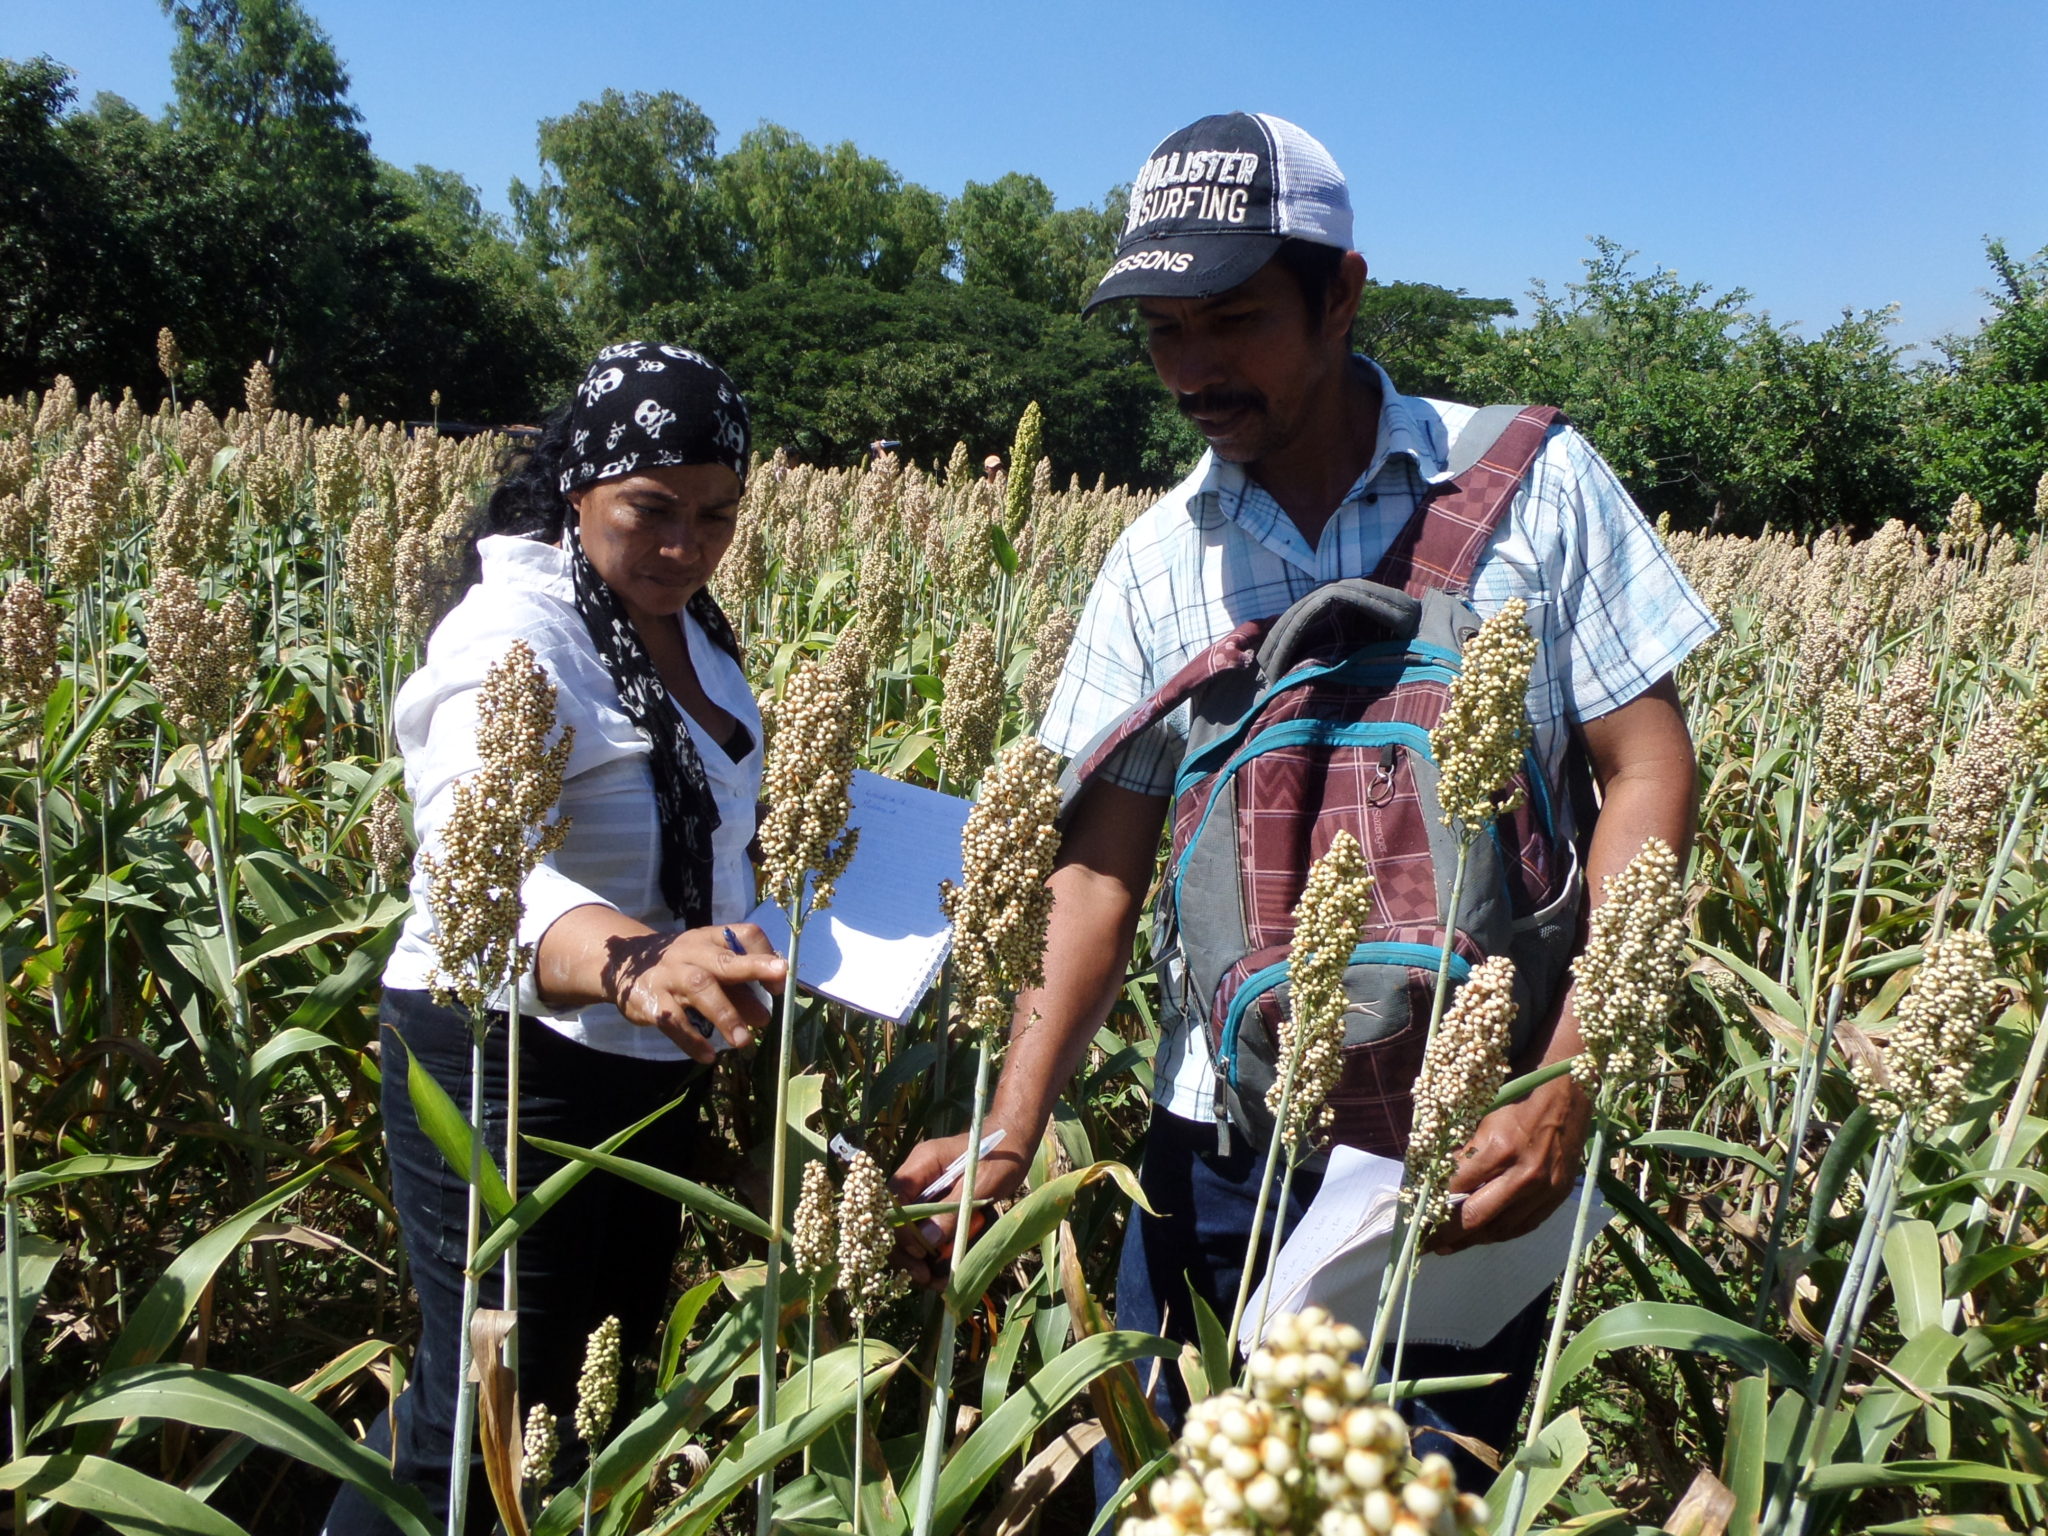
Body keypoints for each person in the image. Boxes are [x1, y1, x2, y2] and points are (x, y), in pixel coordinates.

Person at [887, 113, 1716, 1494]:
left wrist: (1572, 1075)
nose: (1194, 369)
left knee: (1405, 1504)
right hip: (1218, 1135)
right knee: (1170, 1503)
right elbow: (1096, 870)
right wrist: (1014, 1123)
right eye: (1162, 329)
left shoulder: (1529, 487)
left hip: (1466, 1141)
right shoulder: (1157, 563)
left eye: (1235, 319)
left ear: (1343, 294)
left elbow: (1648, 769)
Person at [326, 341, 787, 1535]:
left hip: (646, 1058)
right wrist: (633, 961)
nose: (684, 544)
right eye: (651, 510)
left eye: (716, 515)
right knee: (485, 1396)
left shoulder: (688, 628)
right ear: (578, 484)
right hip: (498, 1055)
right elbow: (479, 863)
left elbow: (724, 822)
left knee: (597, 1381)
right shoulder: (511, 636)